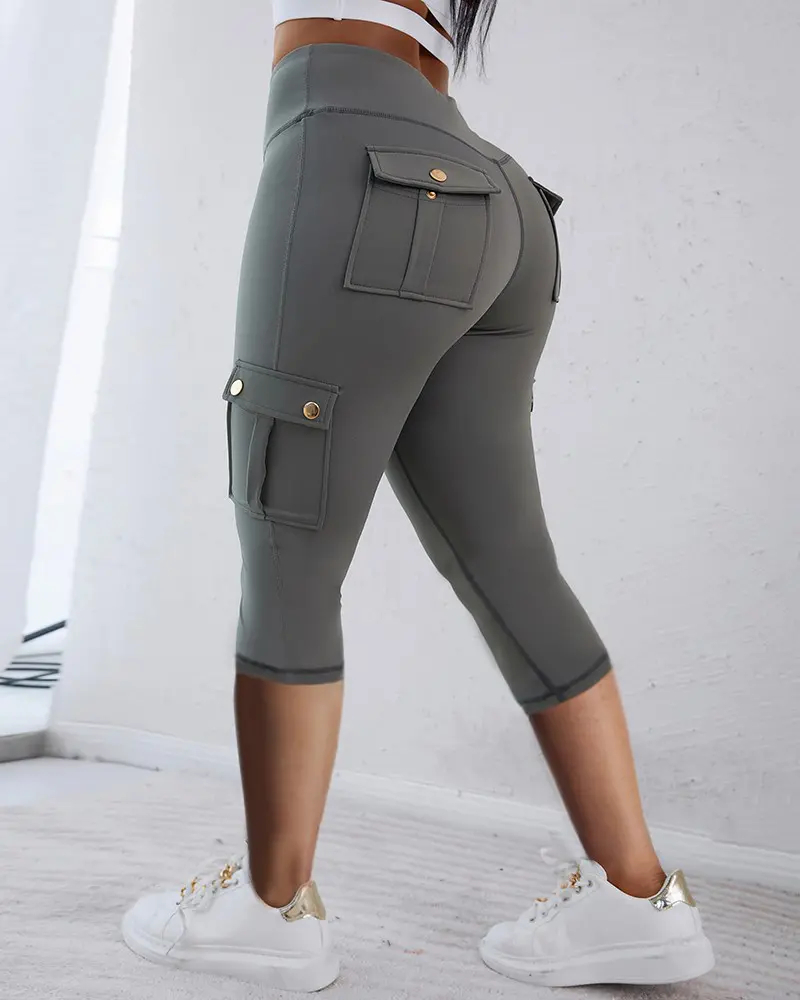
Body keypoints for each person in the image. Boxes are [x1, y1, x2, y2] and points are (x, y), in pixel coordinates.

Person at [121, 1, 715, 990]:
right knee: (511, 567)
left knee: (289, 544)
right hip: (495, 202)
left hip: (358, 163)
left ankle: (270, 911)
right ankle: (638, 897)